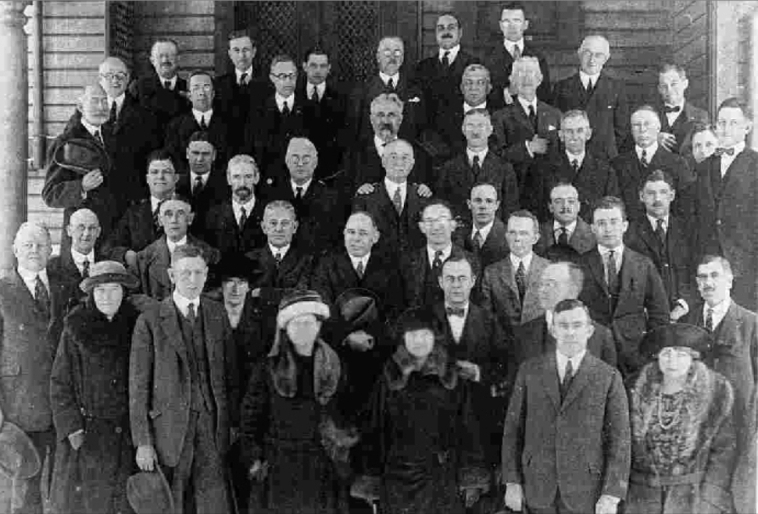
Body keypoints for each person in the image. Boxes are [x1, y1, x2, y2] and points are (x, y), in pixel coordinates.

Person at [130, 244, 238, 514]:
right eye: (185, 273)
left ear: (206, 274)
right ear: (171, 275)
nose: (192, 280)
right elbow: (138, 386)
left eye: (198, 273)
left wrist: (231, 424)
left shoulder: (217, 314)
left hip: (212, 427)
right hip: (169, 429)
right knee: (172, 502)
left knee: (213, 502)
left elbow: (231, 375)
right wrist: (143, 441)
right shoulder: (150, 319)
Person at [352, 309, 489, 514]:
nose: (419, 341)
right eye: (412, 335)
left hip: (442, 478)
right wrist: (371, 481)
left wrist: (470, 478)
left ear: (435, 337)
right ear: (402, 339)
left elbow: (468, 429)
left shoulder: (451, 378)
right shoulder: (390, 378)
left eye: (425, 334)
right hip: (398, 481)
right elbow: (375, 430)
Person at [502, 299, 630, 514]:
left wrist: (611, 494)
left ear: (589, 330)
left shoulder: (608, 377)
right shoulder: (530, 371)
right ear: (553, 330)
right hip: (538, 487)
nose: (570, 332)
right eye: (563, 325)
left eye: (577, 325)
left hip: (587, 492)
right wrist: (512, 482)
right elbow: (513, 430)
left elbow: (620, 439)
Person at [239, 290, 357, 514]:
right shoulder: (268, 368)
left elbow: (346, 412)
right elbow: (250, 418)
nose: (303, 329)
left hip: (322, 464)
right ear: (285, 328)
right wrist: (254, 458)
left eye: (309, 323)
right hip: (279, 465)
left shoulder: (334, 366)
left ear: (319, 326)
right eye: (296, 324)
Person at [49, 261, 140, 514]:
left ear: (124, 292)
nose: (107, 297)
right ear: (91, 294)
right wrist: (72, 429)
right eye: (100, 290)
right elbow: (59, 382)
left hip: (126, 435)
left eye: (114, 289)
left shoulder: (137, 326)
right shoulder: (76, 327)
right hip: (87, 434)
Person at [626, 323, 736, 514]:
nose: (672, 361)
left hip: (694, 500)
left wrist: (710, 500)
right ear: (656, 357)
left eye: (681, 354)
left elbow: (723, 454)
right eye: (666, 354)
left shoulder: (715, 393)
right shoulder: (634, 390)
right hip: (642, 500)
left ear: (693, 358)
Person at [429, 255, 512, 508]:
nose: (456, 285)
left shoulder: (488, 320)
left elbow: (504, 366)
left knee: (477, 499)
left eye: (462, 278)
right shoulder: (424, 318)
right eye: (450, 279)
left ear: (473, 281)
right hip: (435, 418)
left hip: (478, 420)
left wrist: (478, 373)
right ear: (441, 282)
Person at [0, 223, 71, 514]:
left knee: (61, 488)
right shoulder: (2, 292)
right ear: (15, 250)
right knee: (24, 489)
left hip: (62, 407)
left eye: (40, 244)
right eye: (27, 245)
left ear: (50, 250)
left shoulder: (65, 288)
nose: (34, 250)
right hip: (19, 408)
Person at [683, 256, 758, 493]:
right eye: (703, 277)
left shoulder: (751, 323)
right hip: (699, 427)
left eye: (715, 276)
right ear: (696, 283)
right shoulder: (687, 323)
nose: (708, 283)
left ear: (729, 281)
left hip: (739, 426)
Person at [579, 196, 669, 378]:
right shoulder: (580, 264)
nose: (608, 228)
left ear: (625, 226)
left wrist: (648, 352)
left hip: (635, 354)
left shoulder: (643, 264)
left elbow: (659, 313)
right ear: (593, 228)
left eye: (614, 222)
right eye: (601, 223)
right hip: (593, 352)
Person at [691, 97, 758, 311]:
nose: (725, 129)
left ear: (747, 127)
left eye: (733, 123)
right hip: (709, 266)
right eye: (721, 123)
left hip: (746, 268)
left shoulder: (755, 165)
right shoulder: (704, 167)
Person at [42, 84, 120, 256]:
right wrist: (81, 186)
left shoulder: (112, 136)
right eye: (94, 102)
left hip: (112, 232)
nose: (101, 107)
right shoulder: (67, 142)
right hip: (81, 235)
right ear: (80, 107)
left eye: (104, 102)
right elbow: (50, 195)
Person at [513, 261, 617, 368]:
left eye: (550, 284)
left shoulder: (601, 336)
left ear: (573, 290)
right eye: (541, 284)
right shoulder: (524, 334)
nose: (542, 290)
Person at [491, 56, 561, 212]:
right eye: (520, 74)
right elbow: (496, 156)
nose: (526, 78)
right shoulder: (500, 117)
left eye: (531, 73)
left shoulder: (554, 114)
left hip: (548, 195)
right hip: (516, 191)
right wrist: (528, 148)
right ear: (513, 80)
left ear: (539, 79)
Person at [624, 170, 694, 321]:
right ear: (641, 196)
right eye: (651, 193)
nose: (657, 199)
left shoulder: (689, 230)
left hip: (686, 313)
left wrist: (682, 305)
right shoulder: (630, 233)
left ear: (672, 195)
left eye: (663, 192)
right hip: (646, 316)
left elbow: (696, 271)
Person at [311, 210, 403, 321]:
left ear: (375, 237)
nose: (356, 238)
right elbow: (323, 308)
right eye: (351, 232)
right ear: (344, 234)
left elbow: (394, 310)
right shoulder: (326, 265)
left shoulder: (389, 266)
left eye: (363, 233)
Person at [552, 35, 630, 160]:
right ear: (579, 54)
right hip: (571, 156)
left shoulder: (616, 88)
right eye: (587, 54)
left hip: (605, 158)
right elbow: (556, 124)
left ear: (606, 58)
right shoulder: (562, 87)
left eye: (598, 55)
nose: (592, 60)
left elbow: (622, 128)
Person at [245, 200, 314, 343]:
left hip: (294, 335)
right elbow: (246, 299)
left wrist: (262, 293)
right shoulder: (249, 259)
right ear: (264, 227)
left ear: (294, 227)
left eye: (285, 223)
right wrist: (284, 292)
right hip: (256, 335)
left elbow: (303, 297)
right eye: (273, 223)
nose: (278, 229)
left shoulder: (307, 260)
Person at [97, 56, 162, 207]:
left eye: (121, 75)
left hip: (132, 198)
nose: (115, 80)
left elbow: (152, 155)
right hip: (98, 197)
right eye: (109, 75)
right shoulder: (88, 111)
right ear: (100, 79)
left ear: (128, 80)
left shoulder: (145, 113)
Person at [435, 108, 519, 222]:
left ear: (490, 130)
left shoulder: (505, 168)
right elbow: (442, 209)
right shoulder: (449, 168)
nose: (475, 131)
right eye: (470, 125)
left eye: (481, 126)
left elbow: (510, 210)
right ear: (463, 130)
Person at [611, 105, 693, 222]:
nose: (642, 129)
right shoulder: (617, 164)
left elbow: (685, 208)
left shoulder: (677, 163)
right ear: (631, 130)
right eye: (636, 125)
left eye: (647, 124)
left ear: (658, 127)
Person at [101, 149, 180, 267]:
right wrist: (126, 255)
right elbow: (107, 249)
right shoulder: (133, 213)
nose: (160, 177)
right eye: (154, 172)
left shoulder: (187, 208)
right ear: (147, 178)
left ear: (176, 178)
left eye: (166, 172)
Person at [265, 137, 342, 254]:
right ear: (287, 161)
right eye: (295, 158)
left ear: (315, 163)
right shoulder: (272, 193)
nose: (300, 163)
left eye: (306, 159)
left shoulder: (331, 197)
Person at [135, 195, 220, 301]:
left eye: (180, 214)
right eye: (168, 214)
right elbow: (134, 296)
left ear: (190, 219)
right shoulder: (143, 258)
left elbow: (217, 292)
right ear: (160, 220)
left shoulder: (209, 254)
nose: (174, 220)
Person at [352, 138, 429, 255]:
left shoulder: (422, 196)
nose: (399, 162)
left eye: (405, 157)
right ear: (383, 161)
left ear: (412, 163)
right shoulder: (365, 198)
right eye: (393, 157)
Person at [541, 109, 620, 222]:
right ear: (561, 135)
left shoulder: (605, 171)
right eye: (569, 131)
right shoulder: (545, 169)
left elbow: (611, 209)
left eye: (580, 131)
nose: (574, 136)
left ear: (588, 134)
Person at [348, 36, 426, 144]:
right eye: (387, 53)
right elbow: (355, 131)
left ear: (402, 58)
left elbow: (421, 128)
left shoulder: (414, 89)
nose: (392, 57)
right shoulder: (362, 91)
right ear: (378, 57)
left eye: (397, 52)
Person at [345, 93, 430, 191]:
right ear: (372, 119)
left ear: (400, 119)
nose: (385, 121)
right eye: (380, 115)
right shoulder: (354, 154)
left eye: (391, 115)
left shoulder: (417, 152)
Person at [480, 210, 550, 327]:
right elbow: (487, 317)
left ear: (535, 238)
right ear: (506, 236)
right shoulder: (491, 273)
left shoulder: (551, 270)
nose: (517, 238)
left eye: (523, 233)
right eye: (512, 233)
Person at [245, 54, 308, 184]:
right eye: (282, 76)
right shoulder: (257, 112)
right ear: (272, 78)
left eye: (292, 76)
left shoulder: (310, 109)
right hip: (268, 183)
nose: (288, 81)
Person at [400, 201, 475, 309]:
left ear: (453, 225)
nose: (436, 227)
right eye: (429, 221)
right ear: (422, 227)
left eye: (442, 220)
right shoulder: (407, 262)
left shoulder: (470, 261)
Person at [200, 154, 266, 260]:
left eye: (248, 176)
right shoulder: (213, 215)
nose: (242, 183)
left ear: (256, 178)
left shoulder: (268, 213)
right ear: (229, 179)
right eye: (237, 177)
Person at [428, 64, 500, 162]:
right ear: (461, 88)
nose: (473, 88)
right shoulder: (443, 115)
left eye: (480, 83)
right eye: (468, 83)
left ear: (488, 88)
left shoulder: (500, 116)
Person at [413, 13, 480, 117]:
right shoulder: (423, 67)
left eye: (451, 28)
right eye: (441, 28)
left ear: (460, 32)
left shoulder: (474, 64)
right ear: (435, 33)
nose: (446, 32)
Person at [298, 46, 349, 180]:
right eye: (313, 65)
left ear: (329, 68)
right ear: (304, 66)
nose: (318, 71)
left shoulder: (341, 97)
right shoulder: (294, 95)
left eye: (323, 66)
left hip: (330, 172)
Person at [165, 70, 231, 173]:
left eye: (206, 87)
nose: (201, 92)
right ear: (189, 95)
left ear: (213, 94)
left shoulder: (229, 124)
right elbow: (173, 161)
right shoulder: (175, 126)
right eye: (196, 88)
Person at [486, 1, 551, 104]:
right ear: (501, 25)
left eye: (517, 20)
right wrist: (506, 93)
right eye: (507, 21)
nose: (512, 26)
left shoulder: (538, 56)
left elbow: (545, 94)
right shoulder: (487, 57)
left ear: (525, 24)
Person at [215, 29, 268, 150]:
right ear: (229, 54)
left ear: (254, 52)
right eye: (236, 50)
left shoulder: (268, 82)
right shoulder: (219, 85)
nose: (241, 56)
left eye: (246, 50)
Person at [129, 38, 190, 134]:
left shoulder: (188, 88)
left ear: (178, 59)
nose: (165, 60)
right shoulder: (138, 87)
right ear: (152, 61)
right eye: (160, 56)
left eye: (170, 55)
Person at [175, 131, 230, 233]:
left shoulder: (225, 185)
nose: (200, 159)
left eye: (205, 154)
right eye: (195, 153)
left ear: (214, 155)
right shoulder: (175, 183)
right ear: (187, 153)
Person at [655, 62, 709, 157]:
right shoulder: (650, 115)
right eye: (664, 86)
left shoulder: (700, 116)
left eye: (674, 84)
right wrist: (653, 140)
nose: (669, 90)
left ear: (685, 84)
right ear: (659, 89)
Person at [455, 182, 511, 270]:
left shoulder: (508, 238)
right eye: (477, 200)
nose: (483, 206)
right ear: (469, 204)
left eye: (489, 201)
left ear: (496, 205)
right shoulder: (458, 236)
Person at [534, 182, 596, 261]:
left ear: (578, 206)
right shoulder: (537, 233)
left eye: (571, 201)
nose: (565, 206)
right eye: (558, 201)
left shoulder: (593, 235)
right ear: (550, 207)